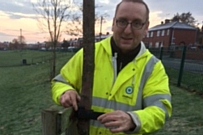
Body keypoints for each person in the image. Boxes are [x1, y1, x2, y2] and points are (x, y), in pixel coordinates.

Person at [51, 0, 172, 134]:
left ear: (146, 28)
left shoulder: (153, 67)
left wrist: (134, 119)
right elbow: (60, 81)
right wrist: (65, 92)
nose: (127, 30)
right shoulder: (89, 54)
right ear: (113, 23)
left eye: (137, 23)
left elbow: (160, 109)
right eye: (122, 21)